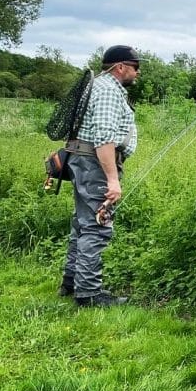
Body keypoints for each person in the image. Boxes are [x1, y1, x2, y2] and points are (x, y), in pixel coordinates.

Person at [58, 45, 140, 307]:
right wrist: (113, 180)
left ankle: (71, 282)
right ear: (120, 67)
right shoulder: (106, 91)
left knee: (82, 224)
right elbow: (104, 138)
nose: (137, 73)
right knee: (97, 224)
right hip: (95, 163)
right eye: (135, 67)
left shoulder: (97, 86)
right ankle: (89, 294)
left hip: (83, 161)